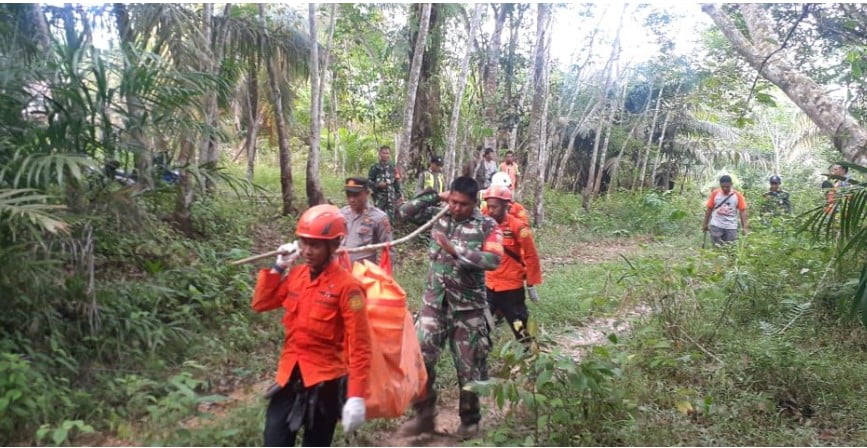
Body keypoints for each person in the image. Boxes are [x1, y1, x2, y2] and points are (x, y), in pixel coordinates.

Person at [252, 205, 372, 447]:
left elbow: (360, 346)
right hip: (289, 376)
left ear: (334, 245)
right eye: (304, 242)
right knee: (274, 440)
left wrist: (356, 395)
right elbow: (261, 303)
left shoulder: (349, 288)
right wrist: (278, 268)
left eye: (315, 244)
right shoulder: (296, 276)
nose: (307, 250)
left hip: (325, 381)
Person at [397, 177, 504, 439]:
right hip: (434, 305)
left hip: (468, 310)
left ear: (474, 202)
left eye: (463, 204)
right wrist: (436, 196)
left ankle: (469, 421)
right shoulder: (439, 216)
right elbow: (404, 212)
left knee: (470, 369)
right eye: (453, 202)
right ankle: (423, 415)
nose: (457, 208)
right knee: (419, 360)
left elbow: (493, 259)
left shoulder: (487, 225)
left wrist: (456, 251)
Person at [483, 185, 542, 344]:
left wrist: (531, 284)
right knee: (481, 328)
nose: (491, 210)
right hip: (489, 286)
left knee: (520, 329)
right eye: (488, 206)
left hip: (511, 289)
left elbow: (531, 255)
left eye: (494, 207)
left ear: (505, 206)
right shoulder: (486, 225)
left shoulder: (518, 227)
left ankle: (530, 358)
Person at [339, 177, 394, 265]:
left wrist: (381, 275)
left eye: (356, 195)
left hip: (363, 274)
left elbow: (388, 250)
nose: (351, 199)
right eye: (348, 195)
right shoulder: (341, 214)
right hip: (340, 272)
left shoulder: (379, 217)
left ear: (367, 193)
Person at [702, 175, 748, 246]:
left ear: (731, 185)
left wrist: (744, 227)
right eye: (723, 187)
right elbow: (709, 209)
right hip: (716, 225)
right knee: (716, 249)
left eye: (727, 187)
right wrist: (705, 224)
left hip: (731, 227)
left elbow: (743, 211)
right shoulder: (715, 194)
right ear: (720, 185)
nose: (725, 188)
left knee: (730, 249)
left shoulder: (737, 195)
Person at [369, 145, 402, 221]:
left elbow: (396, 182)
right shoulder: (375, 167)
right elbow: (369, 181)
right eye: (384, 153)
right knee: (377, 217)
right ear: (380, 154)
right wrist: (378, 185)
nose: (386, 155)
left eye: (387, 153)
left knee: (390, 219)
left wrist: (399, 195)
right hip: (379, 197)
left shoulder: (393, 167)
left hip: (391, 197)